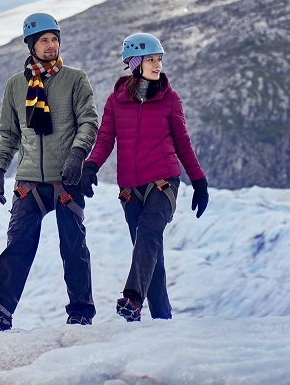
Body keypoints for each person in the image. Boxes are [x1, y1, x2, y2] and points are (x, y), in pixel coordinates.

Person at [0, 13, 99, 330]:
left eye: (55, 39)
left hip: (66, 179)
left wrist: (77, 155)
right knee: (18, 243)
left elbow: (89, 121)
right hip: (28, 181)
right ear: (30, 44)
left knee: (73, 247)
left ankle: (81, 311)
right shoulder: (16, 86)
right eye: (44, 40)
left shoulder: (75, 79)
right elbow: (10, 134)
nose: (51, 45)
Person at [83, 32, 209, 322]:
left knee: (149, 233)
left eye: (159, 59)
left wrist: (198, 181)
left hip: (164, 182)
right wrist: (91, 166)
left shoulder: (170, 99)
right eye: (151, 59)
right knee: (150, 253)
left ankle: (133, 298)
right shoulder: (116, 102)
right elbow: (105, 139)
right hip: (130, 189)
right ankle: (163, 320)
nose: (157, 65)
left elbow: (183, 143)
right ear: (135, 63)